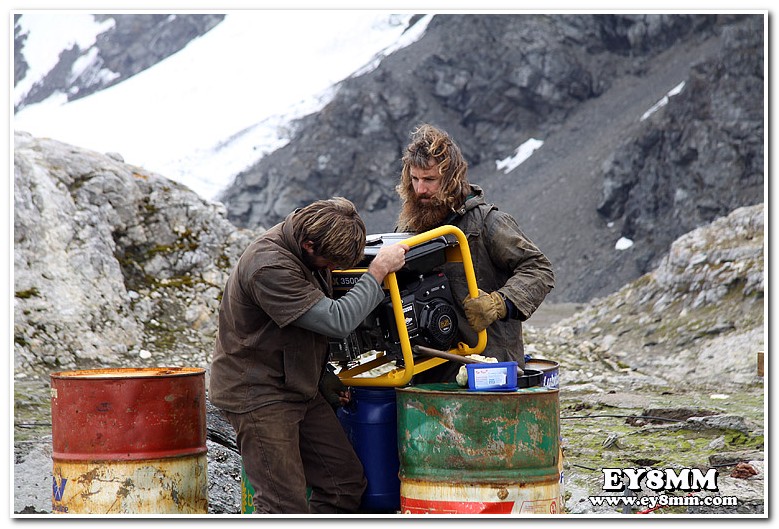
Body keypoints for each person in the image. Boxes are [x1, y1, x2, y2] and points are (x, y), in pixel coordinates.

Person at [208, 197, 408, 514]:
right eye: (329, 264)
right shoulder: (269, 267)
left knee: (343, 485)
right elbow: (335, 320)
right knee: (282, 504)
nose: (332, 270)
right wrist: (377, 272)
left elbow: (298, 332)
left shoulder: (307, 244)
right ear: (309, 245)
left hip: (296, 383)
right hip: (258, 393)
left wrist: (323, 376)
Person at [395, 123, 555, 384]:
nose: (420, 189)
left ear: (451, 179)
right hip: (426, 370)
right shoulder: (407, 229)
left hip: (488, 369)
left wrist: (499, 303)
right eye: (414, 179)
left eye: (430, 180)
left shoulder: (487, 223)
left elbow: (539, 269)